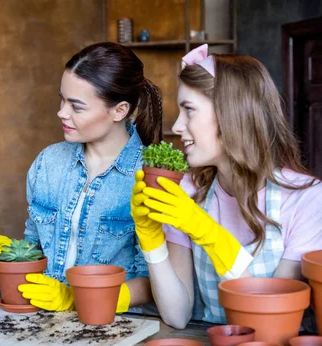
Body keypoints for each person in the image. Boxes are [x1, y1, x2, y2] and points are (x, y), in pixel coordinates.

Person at [132, 45, 322, 329]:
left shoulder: (305, 199)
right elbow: (177, 315)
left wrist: (210, 235)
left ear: (231, 114)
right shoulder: (188, 192)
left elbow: (270, 323)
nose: (178, 125)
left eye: (189, 111)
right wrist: (152, 241)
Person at [0, 42, 163, 313]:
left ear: (119, 111)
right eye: (62, 99)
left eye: (76, 106)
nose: (62, 112)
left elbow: (154, 282)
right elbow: (37, 247)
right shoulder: (48, 163)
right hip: (43, 318)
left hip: (114, 324)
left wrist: (75, 298)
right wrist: (11, 255)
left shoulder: (150, 176)